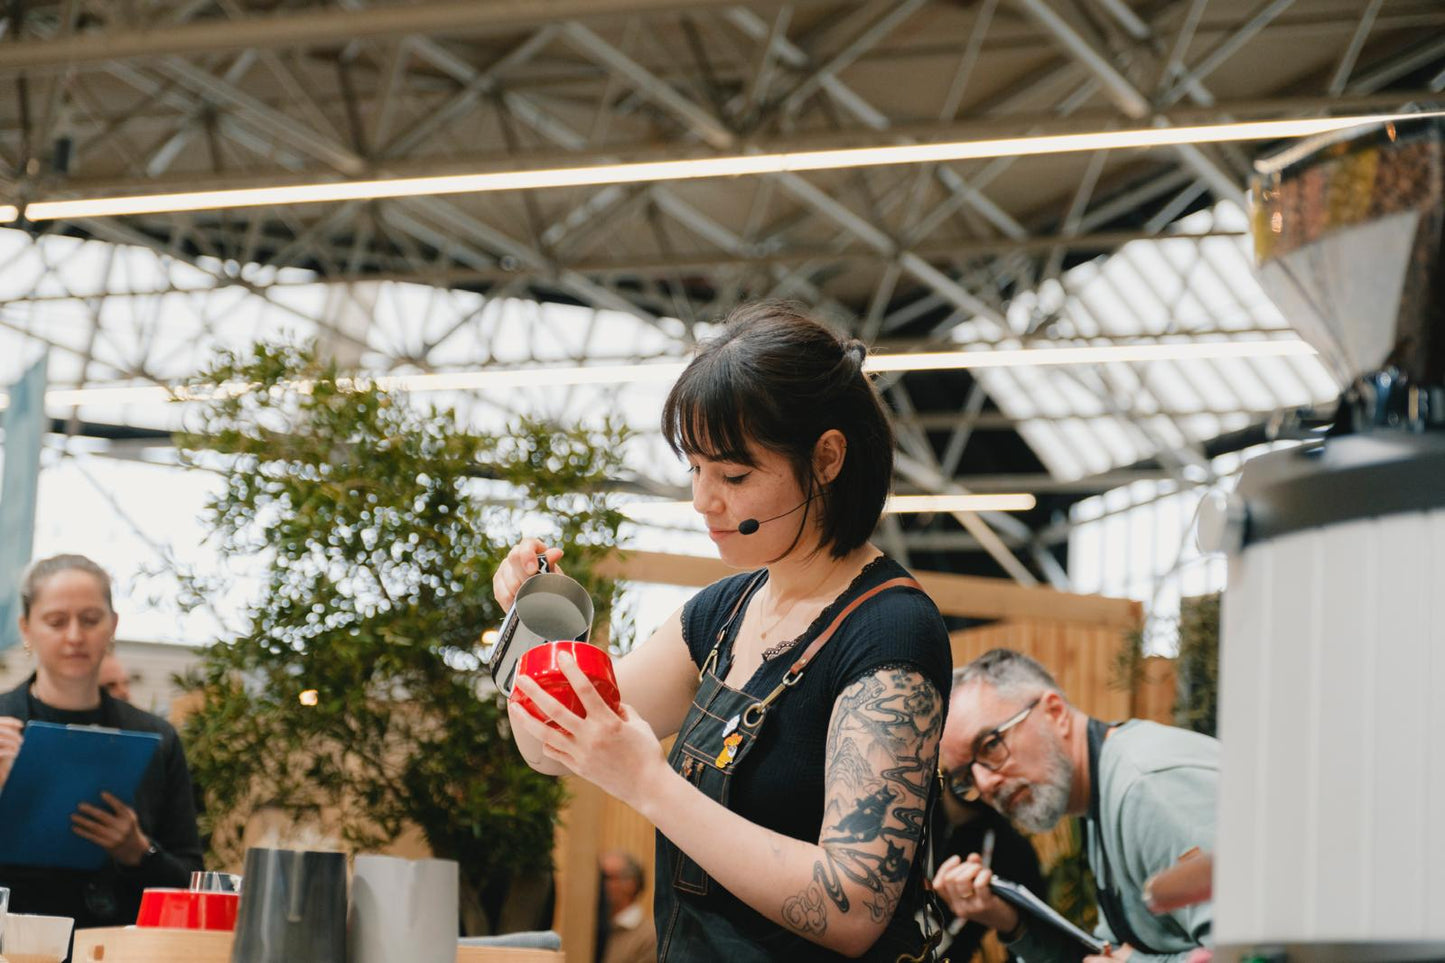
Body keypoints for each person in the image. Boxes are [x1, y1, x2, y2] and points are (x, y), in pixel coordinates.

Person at [494, 302, 953, 961]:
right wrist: (531, 621)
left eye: (734, 475)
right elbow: (549, 743)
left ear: (826, 458)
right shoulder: (722, 612)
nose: (704, 501)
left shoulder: (890, 631)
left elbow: (852, 903)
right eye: (696, 469)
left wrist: (649, 783)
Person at [932, 649, 1217, 962]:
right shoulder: (1098, 794)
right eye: (966, 777)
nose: (985, 784)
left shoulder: (1147, 788)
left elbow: (1255, 952)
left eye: (991, 745)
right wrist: (1011, 923)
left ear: (1055, 712)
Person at [0, 555, 204, 929]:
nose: (75, 636)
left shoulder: (157, 739)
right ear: (26, 629)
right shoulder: (2, 724)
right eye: (56, 621)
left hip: (116, 945)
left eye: (91, 620)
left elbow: (190, 879)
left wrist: (140, 852)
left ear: (112, 625)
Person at [598, 850, 656, 963]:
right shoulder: (592, 927)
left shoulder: (649, 937)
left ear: (630, 884)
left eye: (605, 877)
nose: (598, 885)